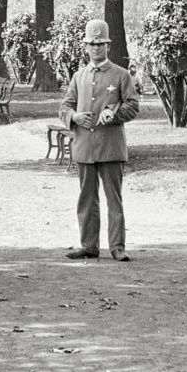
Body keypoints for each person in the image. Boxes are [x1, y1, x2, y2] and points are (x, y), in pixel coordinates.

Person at [59, 19, 140, 261]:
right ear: (86, 47)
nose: (96, 48)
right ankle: (89, 245)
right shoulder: (79, 76)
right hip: (84, 147)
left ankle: (117, 247)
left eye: (100, 44)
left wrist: (114, 114)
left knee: (113, 199)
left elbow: (133, 106)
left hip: (110, 148)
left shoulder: (121, 75)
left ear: (108, 46)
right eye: (92, 44)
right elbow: (65, 106)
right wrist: (74, 116)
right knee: (87, 198)